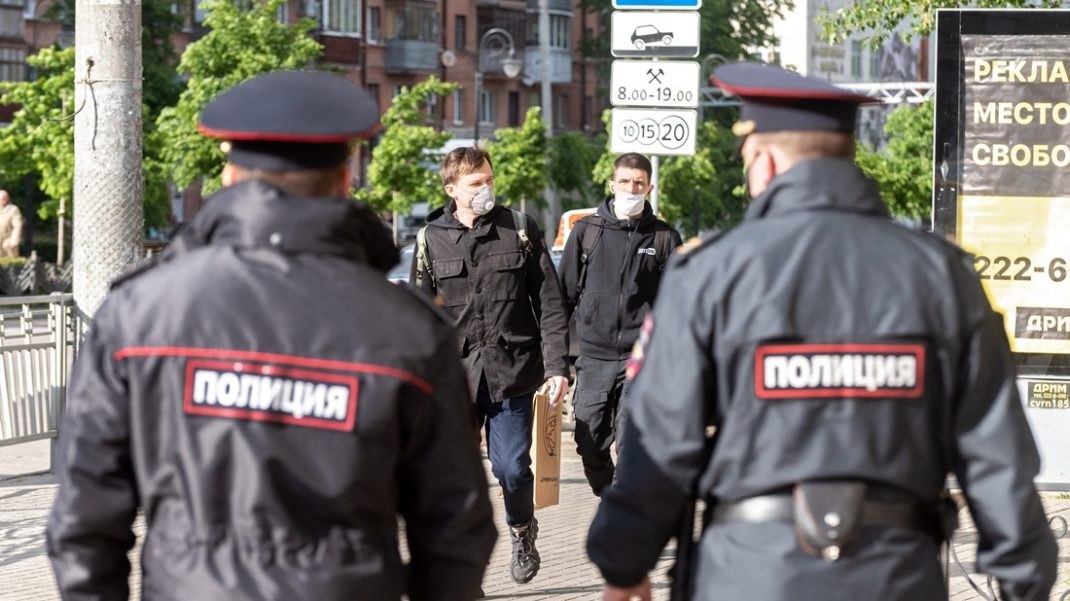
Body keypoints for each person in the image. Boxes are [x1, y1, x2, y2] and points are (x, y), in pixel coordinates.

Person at [587, 62, 1057, 601]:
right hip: (896, 576)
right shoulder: (942, 275)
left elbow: (662, 441)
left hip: (747, 576)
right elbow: (995, 451)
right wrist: (1024, 578)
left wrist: (624, 564)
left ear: (764, 161)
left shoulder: (711, 273)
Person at [46, 71, 497, 601]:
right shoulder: (409, 330)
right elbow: (455, 526)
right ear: (345, 179)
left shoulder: (138, 315)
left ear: (230, 175)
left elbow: (84, 517)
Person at [410, 146, 570, 585]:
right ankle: (465, 570)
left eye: (489, 180)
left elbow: (550, 303)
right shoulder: (429, 239)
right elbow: (419, 317)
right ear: (451, 189)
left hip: (513, 371)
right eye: (475, 183)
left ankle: (522, 530)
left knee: (512, 469)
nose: (486, 189)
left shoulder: (519, 229)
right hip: (455, 378)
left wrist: (558, 366)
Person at [557, 152, 681, 497]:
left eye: (639, 183)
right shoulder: (586, 232)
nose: (631, 188)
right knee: (590, 441)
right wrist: (554, 361)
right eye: (624, 181)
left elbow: (678, 305)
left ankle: (624, 505)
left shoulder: (664, 238)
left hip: (642, 358)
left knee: (631, 443)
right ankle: (609, 494)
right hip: (594, 356)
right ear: (612, 184)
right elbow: (563, 298)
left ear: (650, 187)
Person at [0, 189, 23, 258]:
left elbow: (17, 226)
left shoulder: (13, 209)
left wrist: (14, 241)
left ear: (7, 198)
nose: (2, 199)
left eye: (4, 197)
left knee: (10, 263)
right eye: (1, 198)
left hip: (7, 243)